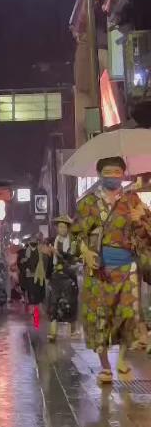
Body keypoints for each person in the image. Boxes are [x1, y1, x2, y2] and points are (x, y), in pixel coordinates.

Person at [73, 156, 151, 384]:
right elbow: (77, 234)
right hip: (99, 271)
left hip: (127, 268)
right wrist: (85, 252)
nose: (113, 176)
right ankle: (105, 366)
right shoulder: (87, 203)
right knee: (99, 318)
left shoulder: (132, 200)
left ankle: (122, 360)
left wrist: (141, 219)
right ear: (99, 175)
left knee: (128, 316)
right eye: (108, 172)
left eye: (118, 172)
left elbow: (147, 236)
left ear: (123, 174)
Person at [46, 215, 80, 342]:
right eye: (60, 226)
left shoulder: (73, 242)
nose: (62, 229)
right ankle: (53, 331)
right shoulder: (54, 240)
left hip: (69, 275)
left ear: (68, 228)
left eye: (64, 227)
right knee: (53, 303)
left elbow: (72, 258)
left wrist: (57, 253)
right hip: (56, 275)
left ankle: (72, 330)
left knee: (70, 302)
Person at [20, 236, 48, 310]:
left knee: (37, 292)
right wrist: (25, 267)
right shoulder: (25, 251)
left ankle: (36, 311)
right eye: (31, 241)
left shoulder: (40, 252)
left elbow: (44, 262)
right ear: (29, 243)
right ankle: (33, 310)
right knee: (31, 292)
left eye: (34, 241)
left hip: (38, 274)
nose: (33, 243)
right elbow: (22, 263)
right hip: (29, 275)